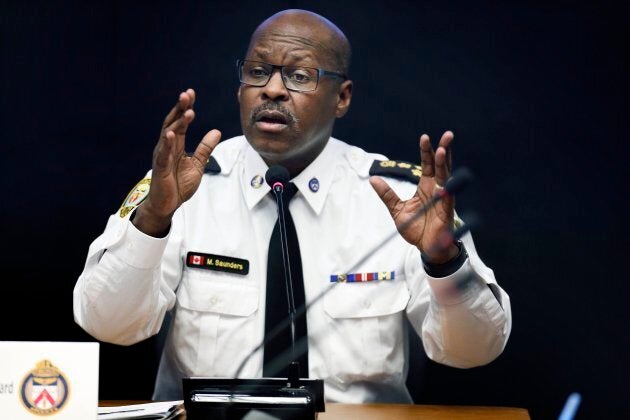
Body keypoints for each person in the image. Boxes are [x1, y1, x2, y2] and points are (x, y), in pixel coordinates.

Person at [73, 9, 511, 403]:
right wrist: (153, 220)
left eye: (300, 76)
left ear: (342, 97)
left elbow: (473, 351)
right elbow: (107, 323)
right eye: (258, 72)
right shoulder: (183, 186)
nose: (274, 90)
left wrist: (443, 262)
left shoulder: (401, 197)